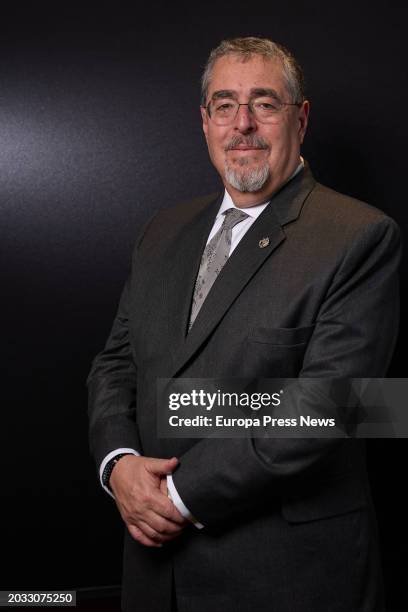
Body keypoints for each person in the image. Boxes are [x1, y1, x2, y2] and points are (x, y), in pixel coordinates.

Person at [87, 37, 400, 611]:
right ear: (204, 122)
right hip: (155, 574)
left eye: (265, 103)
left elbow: (335, 404)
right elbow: (115, 363)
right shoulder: (162, 231)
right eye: (225, 105)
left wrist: (174, 497)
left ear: (299, 119)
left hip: (285, 576)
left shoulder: (359, 235)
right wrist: (119, 465)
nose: (244, 125)